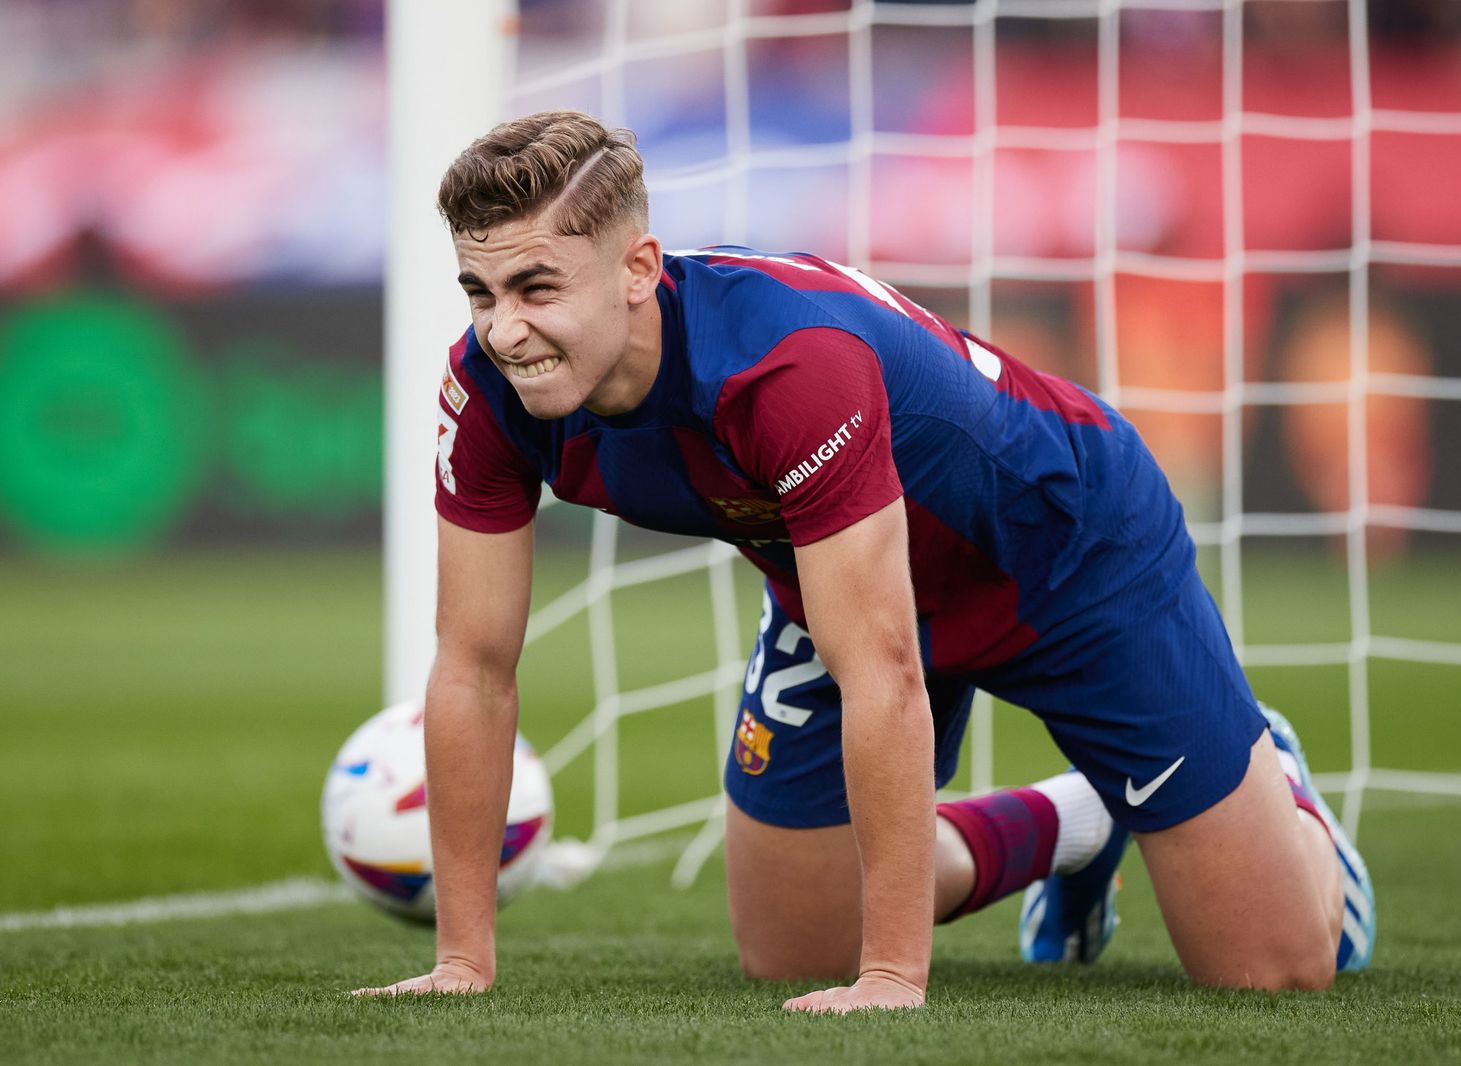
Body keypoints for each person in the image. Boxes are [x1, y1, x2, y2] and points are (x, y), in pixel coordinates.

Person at [354, 111, 1375, 1010]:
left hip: (1069, 555)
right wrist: (462, 960)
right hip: (843, 573)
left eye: (536, 286)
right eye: (479, 291)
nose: (504, 329)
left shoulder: (784, 364)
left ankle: (1271, 783)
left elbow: (882, 669)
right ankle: (1078, 816)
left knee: (1272, 971)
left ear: (636, 269)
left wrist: (891, 976)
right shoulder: (485, 389)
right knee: (792, 951)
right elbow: (473, 665)